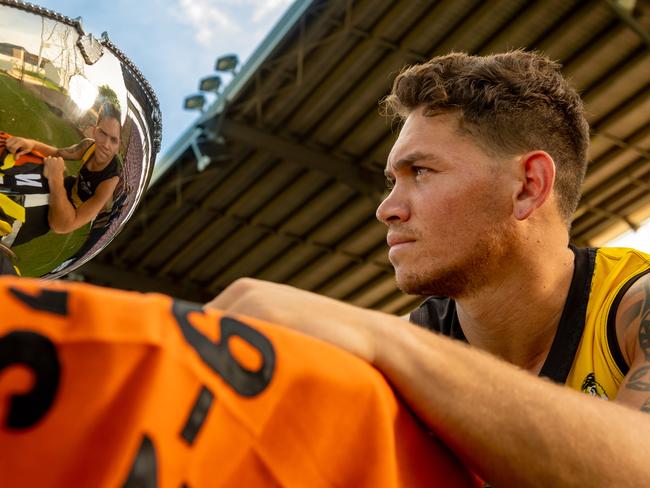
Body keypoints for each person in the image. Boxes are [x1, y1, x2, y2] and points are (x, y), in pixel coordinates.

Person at [204, 51, 650, 486]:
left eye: (420, 171)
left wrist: (383, 339)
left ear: (528, 187)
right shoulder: (406, 351)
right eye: (392, 181)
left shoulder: (634, 304)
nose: (387, 209)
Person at [2, 102, 121, 245]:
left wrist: (56, 178)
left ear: (118, 147)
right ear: (95, 131)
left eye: (113, 140)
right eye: (102, 133)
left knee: (22, 219)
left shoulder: (110, 181)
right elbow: (57, 153)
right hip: (68, 186)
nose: (106, 145)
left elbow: (63, 225)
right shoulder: (89, 146)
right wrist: (31, 143)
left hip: (72, 210)